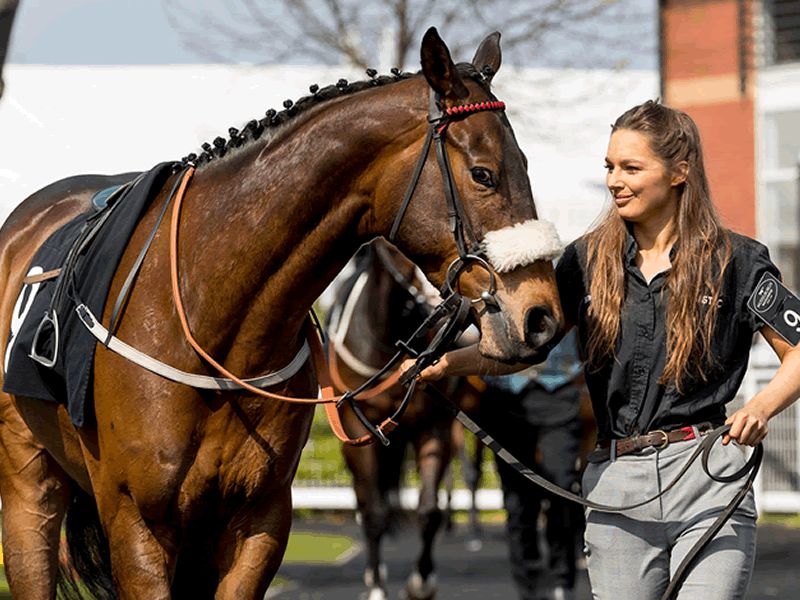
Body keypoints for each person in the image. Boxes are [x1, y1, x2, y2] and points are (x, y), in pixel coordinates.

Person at [405, 99, 800, 600]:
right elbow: (529, 349)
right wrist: (448, 364)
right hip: (616, 486)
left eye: (632, 167)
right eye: (610, 167)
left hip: (708, 475)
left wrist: (762, 407)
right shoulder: (584, 260)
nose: (615, 180)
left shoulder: (738, 260)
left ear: (679, 171)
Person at [481, 330, 585, 600]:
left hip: (558, 390)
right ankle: (528, 584)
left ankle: (563, 578)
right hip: (506, 395)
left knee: (563, 488)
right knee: (518, 502)